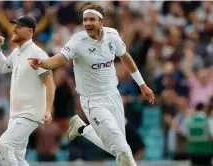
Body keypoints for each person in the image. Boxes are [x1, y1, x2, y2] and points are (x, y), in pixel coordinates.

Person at [29, 4, 155, 166]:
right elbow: (59, 59)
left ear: (101, 22)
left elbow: (125, 57)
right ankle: (83, 128)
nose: (88, 23)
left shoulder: (112, 36)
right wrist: (43, 63)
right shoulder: (77, 41)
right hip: (93, 101)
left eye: (92, 19)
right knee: (123, 151)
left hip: (113, 96)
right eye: (85, 20)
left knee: (119, 150)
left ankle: (82, 129)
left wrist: (142, 85)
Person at [0, 15, 56, 166]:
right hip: (16, 114)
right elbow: (2, 68)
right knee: (18, 157)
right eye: (15, 26)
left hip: (29, 113)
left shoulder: (38, 54)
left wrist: (48, 109)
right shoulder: (17, 52)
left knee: (3, 145)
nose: (14, 29)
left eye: (19, 27)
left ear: (30, 31)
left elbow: (50, 83)